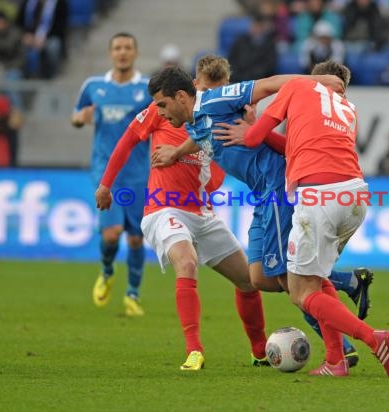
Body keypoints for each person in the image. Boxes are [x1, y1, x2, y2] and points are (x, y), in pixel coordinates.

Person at [151, 58, 373, 367]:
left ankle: (343, 348)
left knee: (287, 277)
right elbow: (202, 135)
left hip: (276, 187)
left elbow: (269, 84)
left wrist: (317, 82)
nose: (159, 114)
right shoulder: (194, 119)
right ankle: (347, 282)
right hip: (261, 194)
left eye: (162, 105)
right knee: (260, 278)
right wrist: (176, 152)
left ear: (182, 96)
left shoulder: (216, 100)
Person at [213, 60, 389, 378]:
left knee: (301, 291)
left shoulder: (296, 87)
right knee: (316, 281)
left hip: (319, 196)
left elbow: (253, 138)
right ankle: (336, 360)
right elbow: (296, 146)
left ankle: (374, 338)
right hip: (355, 196)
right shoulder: (346, 107)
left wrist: (251, 127)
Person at [94, 57, 269, 371]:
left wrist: (250, 130)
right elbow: (127, 141)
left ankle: (260, 352)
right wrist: (106, 185)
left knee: (249, 281)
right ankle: (194, 351)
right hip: (163, 208)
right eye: (207, 86)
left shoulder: (219, 118)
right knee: (186, 263)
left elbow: (217, 178)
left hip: (202, 212)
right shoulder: (164, 110)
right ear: (192, 87)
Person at [71, 33, 152, 316]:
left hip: (139, 172)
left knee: (135, 238)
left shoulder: (147, 88)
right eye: (117, 48)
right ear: (110, 53)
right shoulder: (93, 86)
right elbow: (76, 114)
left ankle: (133, 295)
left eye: (128, 47)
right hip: (106, 171)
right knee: (112, 234)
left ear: (135, 52)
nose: (122, 52)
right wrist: (80, 119)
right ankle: (106, 271)